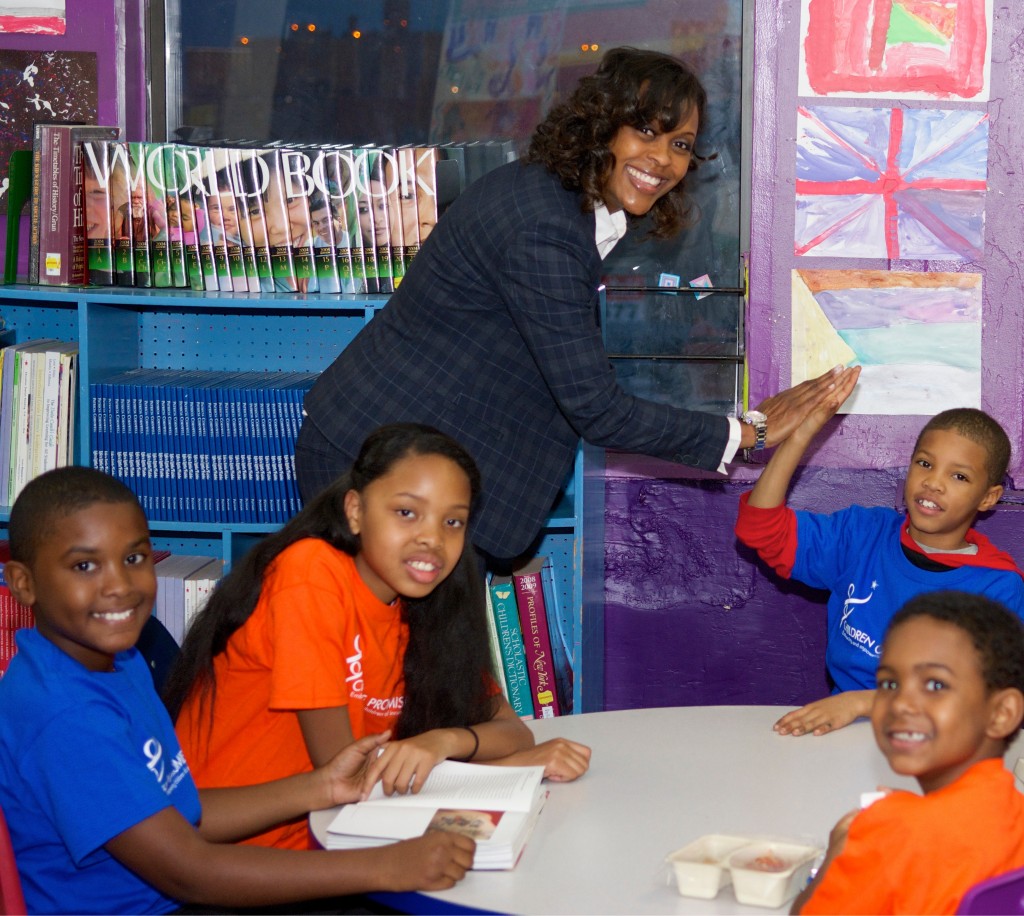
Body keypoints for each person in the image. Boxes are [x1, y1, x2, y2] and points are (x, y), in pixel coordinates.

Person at [294, 46, 859, 564]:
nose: (662, 159)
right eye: (645, 131)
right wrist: (748, 432)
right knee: (366, 653)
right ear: (601, 126)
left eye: (680, 144)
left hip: (413, 462)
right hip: (371, 466)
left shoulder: (566, 204)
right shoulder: (545, 227)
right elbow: (596, 408)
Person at [0, 466, 475, 916]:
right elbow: (189, 871)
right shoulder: (65, 714)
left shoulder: (111, 662)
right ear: (23, 583)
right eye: (85, 566)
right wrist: (387, 868)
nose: (119, 586)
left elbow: (180, 810)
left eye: (133, 558)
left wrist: (320, 785)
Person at [166, 423, 591, 850]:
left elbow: (513, 731)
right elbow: (345, 775)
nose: (432, 538)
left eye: (453, 521)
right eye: (406, 512)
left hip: (342, 837)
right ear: (355, 511)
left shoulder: (429, 608)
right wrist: (513, 767)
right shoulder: (310, 574)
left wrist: (442, 741)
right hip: (237, 857)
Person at [736, 405, 1024, 737]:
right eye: (925, 464)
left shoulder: (997, 586)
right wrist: (800, 435)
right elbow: (759, 528)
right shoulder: (863, 534)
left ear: (988, 498)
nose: (933, 482)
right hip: (847, 737)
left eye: (958, 476)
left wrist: (862, 703)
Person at [794, 591, 1024, 914]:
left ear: (1002, 713)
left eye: (935, 685)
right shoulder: (1016, 815)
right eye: (889, 684)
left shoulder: (889, 833)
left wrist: (839, 854)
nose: (900, 703)